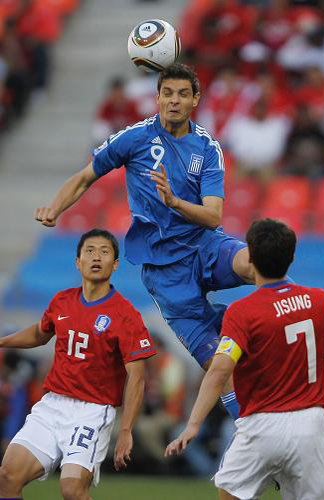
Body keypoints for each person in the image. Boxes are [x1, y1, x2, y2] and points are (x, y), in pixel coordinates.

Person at [35, 63, 255, 420]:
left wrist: (175, 203)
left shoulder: (207, 148)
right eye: (167, 93)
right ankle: (253, 435)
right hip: (165, 273)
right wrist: (55, 208)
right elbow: (85, 177)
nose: (174, 101)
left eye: (183, 94)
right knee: (221, 367)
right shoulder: (134, 138)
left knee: (255, 262)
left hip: (204, 246)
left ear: (195, 100)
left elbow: (214, 216)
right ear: (157, 97)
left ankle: (290, 310)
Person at [166, 218, 324, 500]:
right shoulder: (319, 300)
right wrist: (319, 397)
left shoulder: (242, 312)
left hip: (262, 424)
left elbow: (218, 372)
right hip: (310, 424)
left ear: (249, 257)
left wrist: (192, 425)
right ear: (291, 256)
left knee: (228, 492)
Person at [0, 228, 156, 500]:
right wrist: (2, 341)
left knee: (72, 490)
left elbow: (137, 377)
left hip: (92, 413)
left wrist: (126, 430)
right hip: (52, 406)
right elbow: (39, 334)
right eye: (90, 251)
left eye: (105, 252)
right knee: (7, 476)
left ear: (115, 264)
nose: (96, 257)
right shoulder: (62, 301)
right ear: (78, 261)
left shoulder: (126, 315)